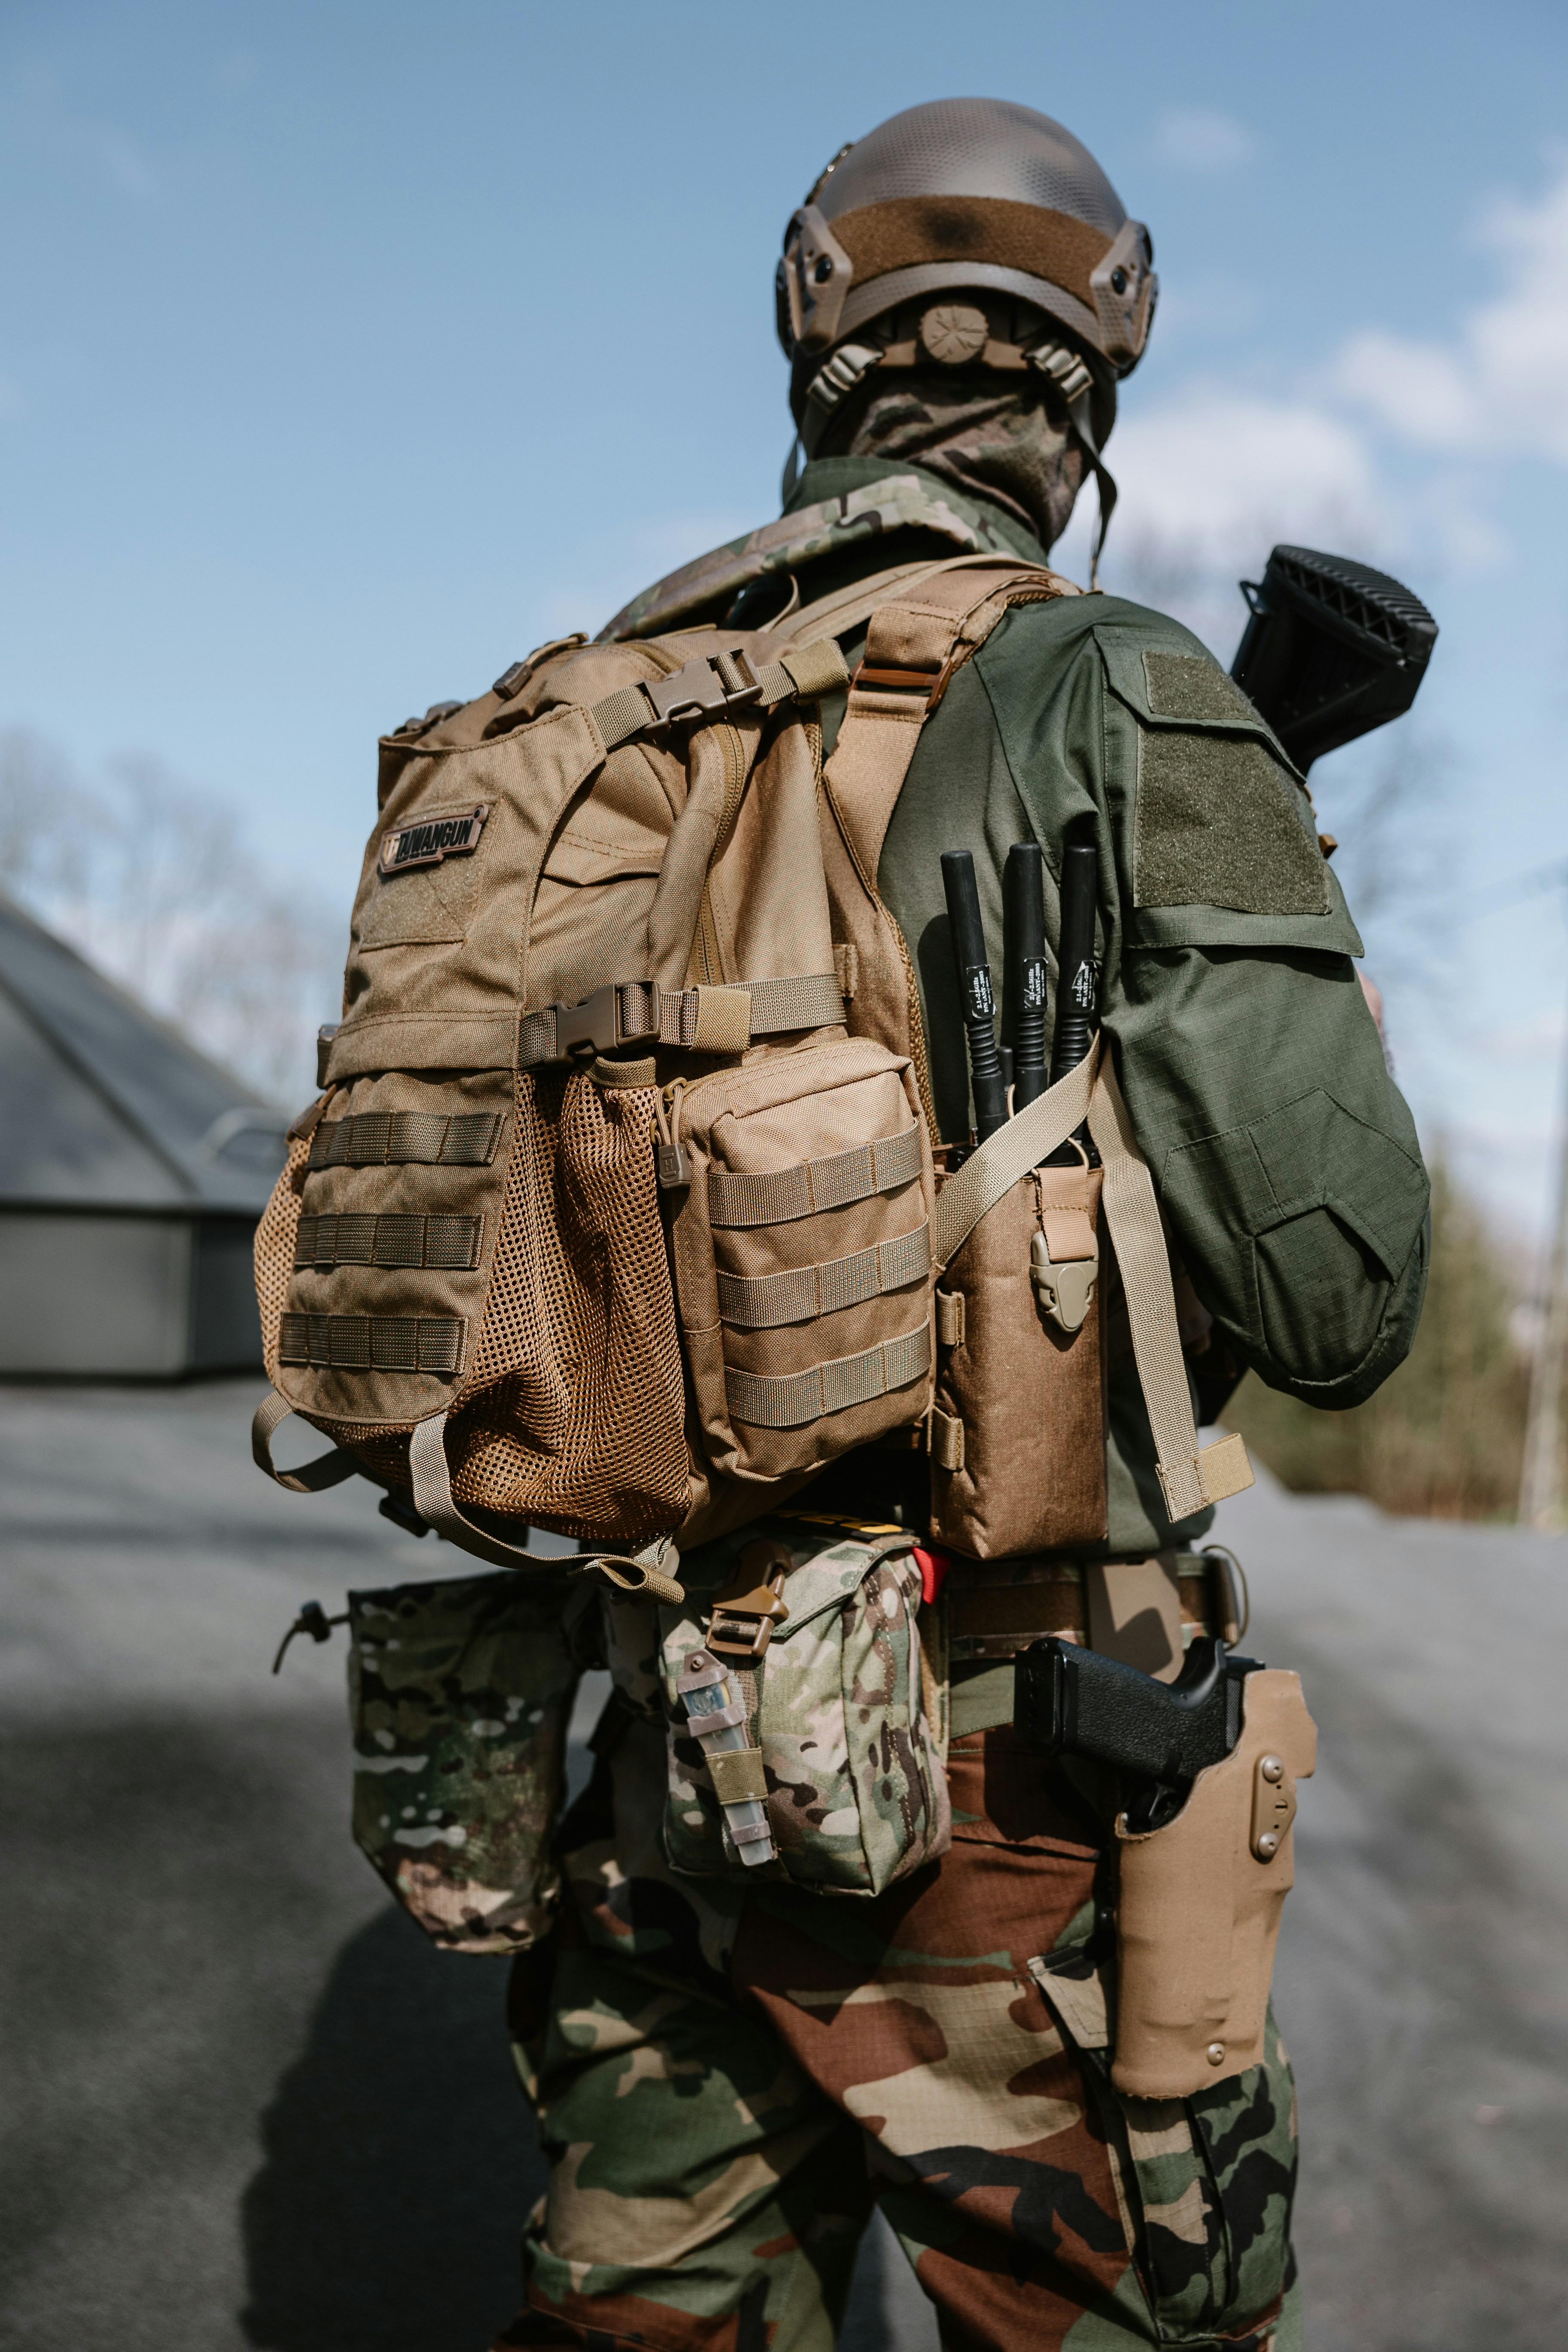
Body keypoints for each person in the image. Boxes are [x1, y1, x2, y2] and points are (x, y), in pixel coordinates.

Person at [493, 98, 1428, 2352]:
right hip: (1010, 1787)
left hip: (650, 1756)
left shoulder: (575, 728)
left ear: (817, 345)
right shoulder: (1120, 690)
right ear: (1089, 377)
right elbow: (1340, 1285)